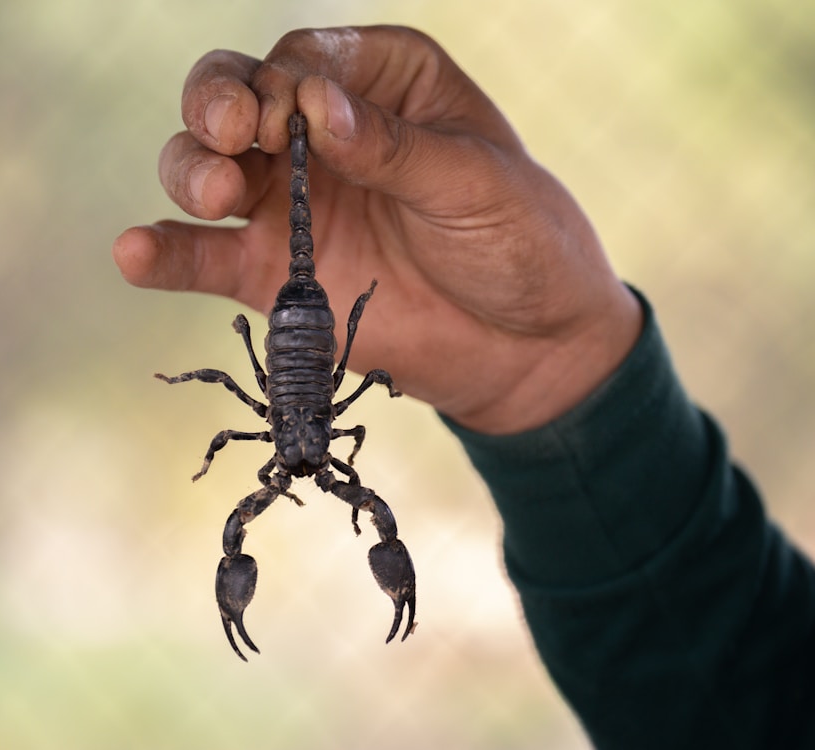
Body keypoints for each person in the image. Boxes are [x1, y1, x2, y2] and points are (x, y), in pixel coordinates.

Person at [112, 26, 815, 749]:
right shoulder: (331, 452)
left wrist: (546, 381)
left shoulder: (287, 452)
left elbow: (248, 425)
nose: (304, 473)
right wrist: (557, 377)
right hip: (312, 340)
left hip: (299, 342)